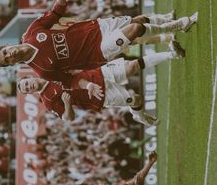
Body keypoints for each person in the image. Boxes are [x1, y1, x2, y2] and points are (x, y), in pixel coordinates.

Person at [0, 0, 198, 84]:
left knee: (140, 21)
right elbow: (69, 80)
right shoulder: (42, 70)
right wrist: (90, 84)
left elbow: (56, 14)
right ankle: (180, 25)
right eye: (8, 59)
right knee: (135, 30)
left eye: (7, 51)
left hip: (96, 28)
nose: (10, 54)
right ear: (12, 64)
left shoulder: (32, 33)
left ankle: (166, 20)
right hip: (98, 50)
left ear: (9, 47)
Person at [17, 41, 184, 125]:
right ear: (29, 93)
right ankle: (138, 116)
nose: (29, 86)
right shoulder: (48, 101)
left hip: (96, 74)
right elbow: (68, 118)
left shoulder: (47, 70)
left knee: (131, 65)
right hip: (98, 97)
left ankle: (172, 54)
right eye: (26, 89)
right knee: (136, 99)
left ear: (29, 77)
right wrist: (67, 104)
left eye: (26, 83)